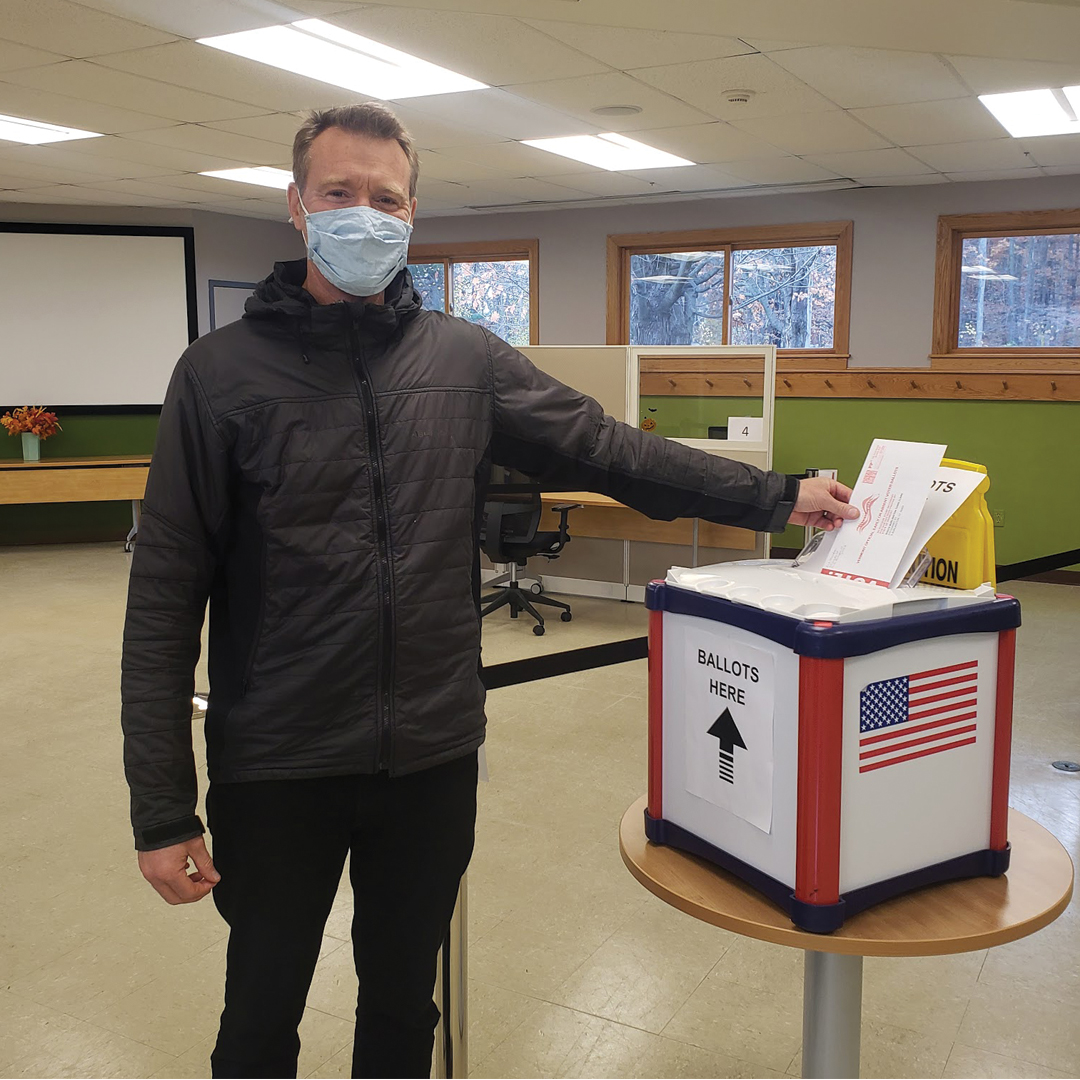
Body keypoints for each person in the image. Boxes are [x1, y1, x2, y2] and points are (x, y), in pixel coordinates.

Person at [121, 102, 857, 1080]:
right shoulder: (218, 377)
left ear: (412, 212)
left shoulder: (464, 363)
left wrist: (774, 495)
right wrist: (163, 810)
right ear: (298, 207)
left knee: (400, 1009)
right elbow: (164, 597)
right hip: (277, 762)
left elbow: (609, 450)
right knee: (258, 1019)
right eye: (339, 193)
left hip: (430, 757)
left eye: (385, 198)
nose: (363, 214)